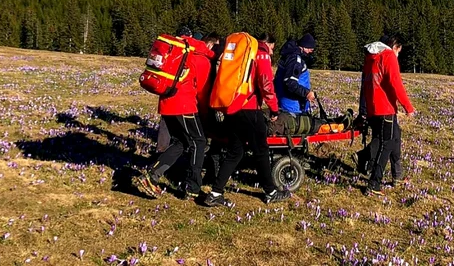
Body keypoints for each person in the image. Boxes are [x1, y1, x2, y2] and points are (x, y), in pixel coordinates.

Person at [204, 33, 291, 206]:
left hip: (232, 107)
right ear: (269, 44)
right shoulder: (261, 54)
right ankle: (271, 191)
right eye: (273, 47)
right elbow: (266, 83)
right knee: (261, 151)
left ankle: (215, 193)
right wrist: (274, 108)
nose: (273, 52)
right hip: (249, 108)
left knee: (235, 152)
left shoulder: (244, 52)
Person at [135, 26, 216, 200]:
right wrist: (205, 115)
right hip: (185, 107)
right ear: (207, 43)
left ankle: (152, 176)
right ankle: (192, 187)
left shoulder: (182, 51)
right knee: (199, 142)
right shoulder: (201, 58)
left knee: (181, 142)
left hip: (166, 103)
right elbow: (202, 93)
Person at [359, 34, 415, 196]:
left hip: (373, 108)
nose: (398, 55)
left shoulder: (371, 57)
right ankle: (374, 183)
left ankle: (397, 175)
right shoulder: (388, 56)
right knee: (387, 144)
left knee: (392, 137)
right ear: (395, 47)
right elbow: (395, 83)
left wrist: (364, 110)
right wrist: (408, 107)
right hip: (385, 109)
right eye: (399, 51)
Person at [274, 33, 317, 114]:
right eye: (310, 50)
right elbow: (290, 82)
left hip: (285, 99)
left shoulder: (289, 56)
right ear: (304, 46)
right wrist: (306, 93)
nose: (309, 53)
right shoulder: (295, 60)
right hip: (292, 104)